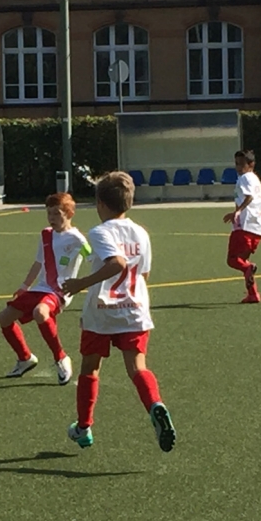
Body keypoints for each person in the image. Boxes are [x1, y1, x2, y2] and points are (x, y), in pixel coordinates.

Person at [61, 172, 175, 452]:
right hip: (134, 309)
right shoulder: (141, 232)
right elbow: (143, 274)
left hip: (102, 311)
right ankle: (155, 405)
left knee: (90, 368)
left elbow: (117, 263)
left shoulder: (100, 232)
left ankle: (84, 428)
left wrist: (80, 284)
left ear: (100, 203)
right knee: (137, 368)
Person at [0, 192, 90, 386]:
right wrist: (24, 286)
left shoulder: (77, 239)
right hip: (41, 288)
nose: (51, 218)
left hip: (60, 291)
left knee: (40, 312)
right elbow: (38, 262)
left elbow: (93, 259)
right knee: (4, 317)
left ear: (69, 213)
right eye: (49, 213)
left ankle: (61, 358)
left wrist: (88, 284)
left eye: (57, 213)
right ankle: (25, 358)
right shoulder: (46, 234)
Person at [222, 150, 261, 304]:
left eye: (241, 164)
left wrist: (237, 212)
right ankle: (253, 294)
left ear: (251, 164)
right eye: (236, 164)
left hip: (245, 226)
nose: (238, 167)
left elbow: (249, 197)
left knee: (233, 260)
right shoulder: (255, 179)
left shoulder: (245, 178)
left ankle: (249, 271)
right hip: (257, 228)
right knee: (243, 261)